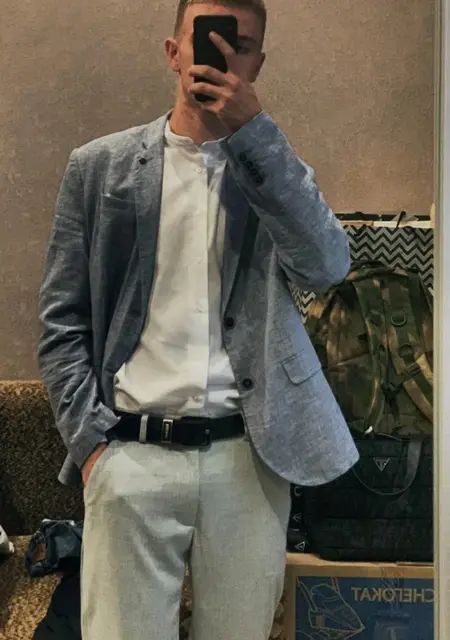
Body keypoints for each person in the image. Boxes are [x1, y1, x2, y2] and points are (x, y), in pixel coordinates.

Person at [37, 0, 358, 638]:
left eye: (242, 45)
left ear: (257, 63)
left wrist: (255, 132)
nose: (223, 56)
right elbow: (61, 323)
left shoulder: (272, 171)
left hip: (248, 456)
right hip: (130, 453)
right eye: (208, 38)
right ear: (174, 51)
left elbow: (326, 267)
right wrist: (92, 446)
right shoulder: (98, 167)